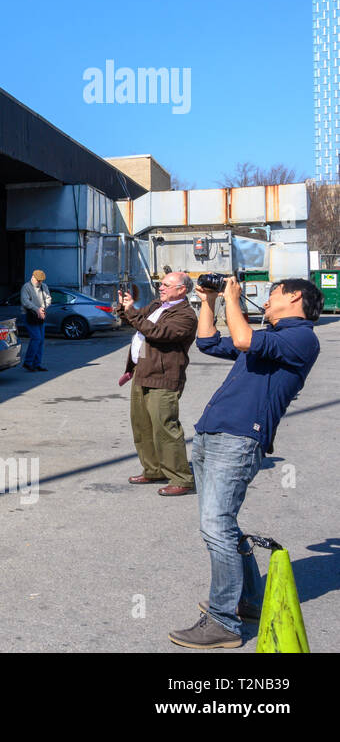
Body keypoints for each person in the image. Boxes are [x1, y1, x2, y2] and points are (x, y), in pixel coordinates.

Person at [168, 276, 322, 649]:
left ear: (295, 297)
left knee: (215, 526)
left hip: (239, 440)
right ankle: (249, 600)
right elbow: (207, 342)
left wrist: (232, 298)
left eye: (272, 293)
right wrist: (208, 300)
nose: (266, 300)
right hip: (213, 434)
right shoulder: (273, 336)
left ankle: (222, 622)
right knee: (222, 524)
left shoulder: (300, 338)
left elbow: (242, 339)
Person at [117, 272, 198, 496]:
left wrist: (132, 313)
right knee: (142, 426)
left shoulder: (186, 315)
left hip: (163, 377)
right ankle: (153, 470)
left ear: (182, 289)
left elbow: (158, 333)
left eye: (166, 285)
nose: (160, 287)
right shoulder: (156, 305)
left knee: (165, 429)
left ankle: (181, 478)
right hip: (142, 372)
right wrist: (126, 307)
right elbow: (134, 319)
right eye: (160, 284)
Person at [20, 269, 52, 371]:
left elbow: (48, 299)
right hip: (29, 315)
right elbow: (25, 301)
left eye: (41, 280)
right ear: (33, 277)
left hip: (40, 314)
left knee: (41, 340)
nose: (40, 282)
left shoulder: (44, 286)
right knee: (36, 338)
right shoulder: (26, 287)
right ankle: (28, 362)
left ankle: (37, 364)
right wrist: (36, 309)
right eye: (38, 280)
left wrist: (42, 308)